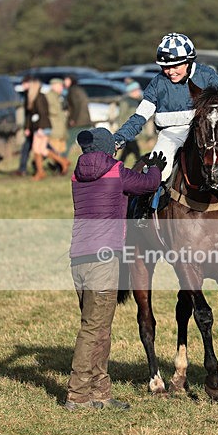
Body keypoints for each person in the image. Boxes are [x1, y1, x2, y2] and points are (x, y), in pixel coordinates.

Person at [66, 126, 165, 411]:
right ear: (110, 149)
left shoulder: (77, 173)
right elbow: (147, 184)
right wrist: (154, 169)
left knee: (100, 328)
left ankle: (100, 392)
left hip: (79, 259)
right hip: (104, 260)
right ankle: (77, 394)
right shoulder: (115, 171)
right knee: (92, 329)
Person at [113, 33, 218, 183]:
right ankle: (150, 206)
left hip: (205, 134)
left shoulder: (207, 76)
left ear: (188, 62)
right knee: (158, 173)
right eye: (165, 67)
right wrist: (118, 139)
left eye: (175, 66)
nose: (170, 72)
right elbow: (138, 118)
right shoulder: (157, 84)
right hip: (171, 135)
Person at [26, 78, 70, 180]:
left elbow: (43, 113)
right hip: (42, 126)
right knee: (42, 150)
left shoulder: (39, 98)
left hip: (42, 126)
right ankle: (62, 162)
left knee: (37, 149)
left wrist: (40, 127)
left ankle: (40, 172)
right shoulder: (39, 97)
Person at [116, 80, 143, 164]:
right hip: (128, 130)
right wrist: (122, 131)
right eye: (137, 89)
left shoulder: (138, 100)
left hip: (134, 130)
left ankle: (117, 167)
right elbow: (121, 117)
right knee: (136, 151)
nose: (139, 91)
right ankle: (140, 166)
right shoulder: (125, 101)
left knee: (126, 153)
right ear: (132, 91)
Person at [64, 75, 91, 154]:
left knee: (68, 141)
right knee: (86, 143)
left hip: (78, 121)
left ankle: (61, 161)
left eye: (66, 80)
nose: (64, 82)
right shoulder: (79, 89)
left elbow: (76, 106)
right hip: (85, 120)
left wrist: (73, 119)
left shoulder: (72, 90)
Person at [46, 78, 69, 156]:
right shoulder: (49, 96)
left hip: (60, 128)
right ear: (54, 86)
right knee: (54, 149)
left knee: (60, 150)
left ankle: (59, 165)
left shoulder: (59, 97)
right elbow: (50, 111)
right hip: (55, 128)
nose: (62, 88)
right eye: (60, 86)